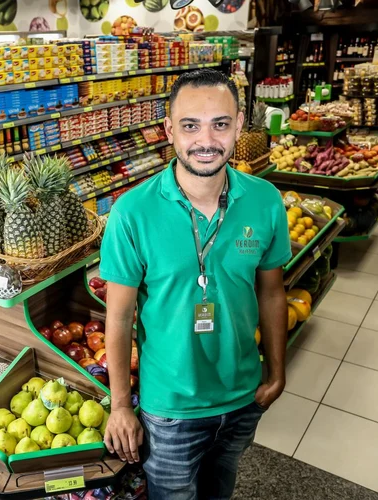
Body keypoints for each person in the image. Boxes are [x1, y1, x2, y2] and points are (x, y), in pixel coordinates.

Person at [100, 69, 290, 500]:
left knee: (221, 486)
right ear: (169, 130)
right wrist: (120, 405)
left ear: (239, 125)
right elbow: (119, 316)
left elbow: (273, 291)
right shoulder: (132, 213)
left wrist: (278, 372)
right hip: (169, 408)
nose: (206, 140)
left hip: (243, 395)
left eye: (220, 124)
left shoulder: (265, 200)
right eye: (190, 125)